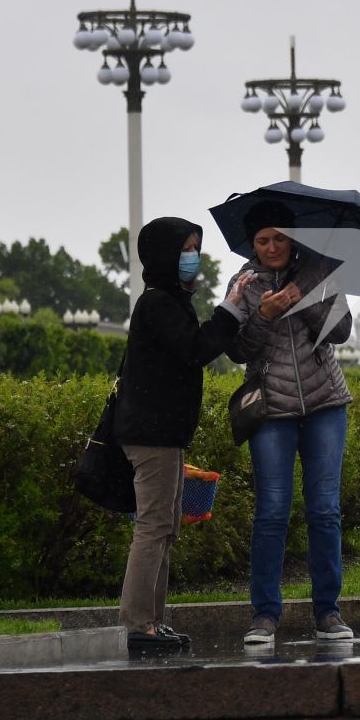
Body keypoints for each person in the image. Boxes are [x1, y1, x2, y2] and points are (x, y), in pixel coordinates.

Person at [223, 201, 355, 647]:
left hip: (325, 403)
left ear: (293, 237)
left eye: (279, 237)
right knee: (272, 512)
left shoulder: (318, 273)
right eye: (263, 240)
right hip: (270, 409)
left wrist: (304, 300)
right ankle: (264, 615)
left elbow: (341, 332)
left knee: (324, 510)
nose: (272, 246)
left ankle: (328, 612)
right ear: (253, 244)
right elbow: (238, 351)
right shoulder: (243, 284)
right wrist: (264, 314)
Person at [113, 216, 240, 656]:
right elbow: (197, 348)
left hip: (162, 434)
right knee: (153, 527)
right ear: (167, 254)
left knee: (165, 527)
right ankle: (137, 623)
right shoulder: (158, 304)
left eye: (196, 248)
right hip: (152, 435)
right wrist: (232, 310)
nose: (194, 257)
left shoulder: (170, 300)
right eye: (186, 248)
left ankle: (152, 620)